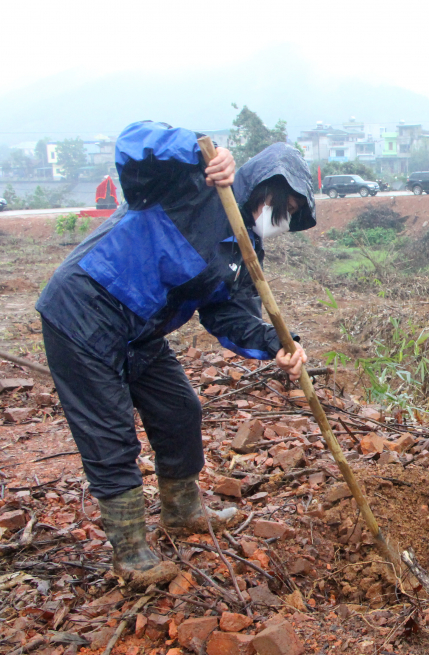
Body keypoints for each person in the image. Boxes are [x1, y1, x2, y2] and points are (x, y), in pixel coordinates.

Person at [37, 121, 315, 584]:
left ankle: (181, 511)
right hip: (85, 310)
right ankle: (129, 555)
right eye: (281, 204)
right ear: (262, 187)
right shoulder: (189, 185)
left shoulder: (244, 252)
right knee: (110, 433)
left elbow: (227, 317)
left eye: (291, 212)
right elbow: (132, 142)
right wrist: (198, 152)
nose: (282, 217)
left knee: (180, 409)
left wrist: (276, 345)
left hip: (139, 332)